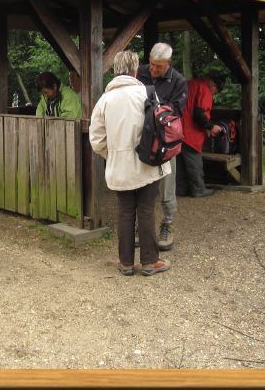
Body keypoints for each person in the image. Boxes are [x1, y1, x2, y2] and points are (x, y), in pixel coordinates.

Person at [89, 51, 171, 276]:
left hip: (119, 167)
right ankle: (150, 262)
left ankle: (125, 262)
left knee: (125, 211)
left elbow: (96, 139)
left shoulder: (105, 100)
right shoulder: (147, 93)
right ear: (135, 70)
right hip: (148, 163)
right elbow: (161, 127)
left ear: (115, 70)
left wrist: (113, 155)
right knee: (146, 210)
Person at [136, 43, 188, 252]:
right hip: (141, 137)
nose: (153, 69)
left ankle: (168, 222)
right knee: (140, 180)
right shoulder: (140, 72)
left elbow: (177, 111)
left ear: (169, 63)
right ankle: (142, 226)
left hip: (164, 139)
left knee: (167, 181)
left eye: (158, 66)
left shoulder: (178, 81)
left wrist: (154, 110)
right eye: (151, 64)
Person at [177, 75, 225, 198]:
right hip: (190, 132)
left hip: (177, 129)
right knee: (194, 161)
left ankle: (180, 189)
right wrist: (211, 127)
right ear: (213, 85)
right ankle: (198, 189)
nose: (213, 94)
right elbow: (199, 114)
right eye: (215, 92)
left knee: (180, 162)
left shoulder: (190, 84)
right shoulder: (205, 89)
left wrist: (206, 127)